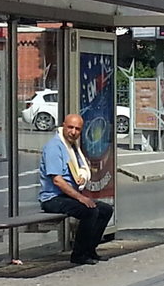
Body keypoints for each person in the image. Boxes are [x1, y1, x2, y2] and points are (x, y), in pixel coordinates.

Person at [39, 113, 113, 265]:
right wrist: (81, 198)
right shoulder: (54, 147)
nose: (73, 132)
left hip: (68, 196)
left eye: (77, 129)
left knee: (105, 210)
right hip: (52, 198)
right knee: (89, 211)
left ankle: (90, 249)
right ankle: (78, 254)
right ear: (63, 126)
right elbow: (57, 181)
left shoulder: (73, 147)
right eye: (70, 127)